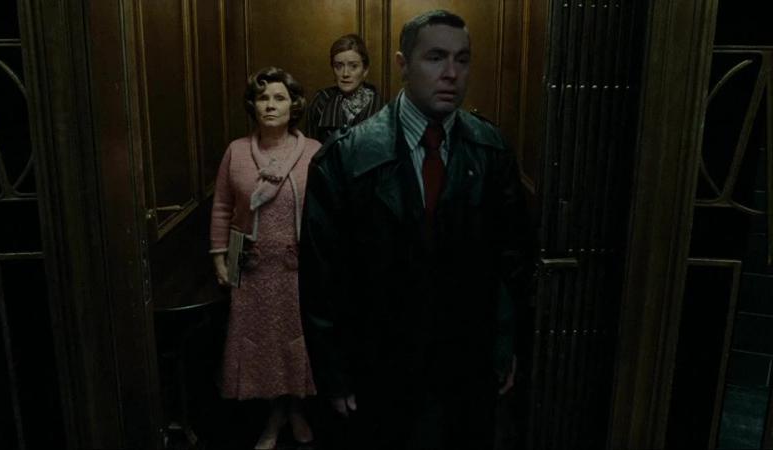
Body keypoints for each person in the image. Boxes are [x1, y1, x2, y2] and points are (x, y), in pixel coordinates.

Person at [299, 10, 534, 450]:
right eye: (436, 57)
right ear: (403, 64)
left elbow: (510, 263)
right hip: (379, 366)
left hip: (465, 365)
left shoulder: (491, 150)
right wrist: (334, 374)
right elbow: (322, 279)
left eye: (462, 59)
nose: (451, 73)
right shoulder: (346, 158)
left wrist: (504, 348)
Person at [210, 67, 320, 450]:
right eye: (263, 98)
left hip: (297, 270)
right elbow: (222, 207)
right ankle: (274, 415)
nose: (270, 105)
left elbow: (326, 214)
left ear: (294, 106)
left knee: (295, 344)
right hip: (252, 268)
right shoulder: (236, 152)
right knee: (264, 347)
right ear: (253, 105)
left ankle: (296, 411)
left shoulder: (314, 152)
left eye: (279, 98)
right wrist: (220, 258)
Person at [305, 34, 384, 143]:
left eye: (353, 66)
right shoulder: (321, 101)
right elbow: (310, 147)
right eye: (339, 66)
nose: (345, 73)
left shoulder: (381, 108)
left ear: (365, 70)